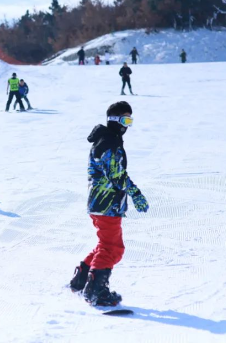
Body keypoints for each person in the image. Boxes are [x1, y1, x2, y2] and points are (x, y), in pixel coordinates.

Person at [69, 101, 149, 306]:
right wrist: (135, 192)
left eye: (130, 120)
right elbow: (116, 175)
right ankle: (96, 291)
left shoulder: (107, 140)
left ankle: (82, 279)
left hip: (101, 202)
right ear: (114, 120)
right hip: (106, 202)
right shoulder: (109, 143)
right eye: (125, 120)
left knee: (104, 245)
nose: (127, 126)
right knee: (112, 248)